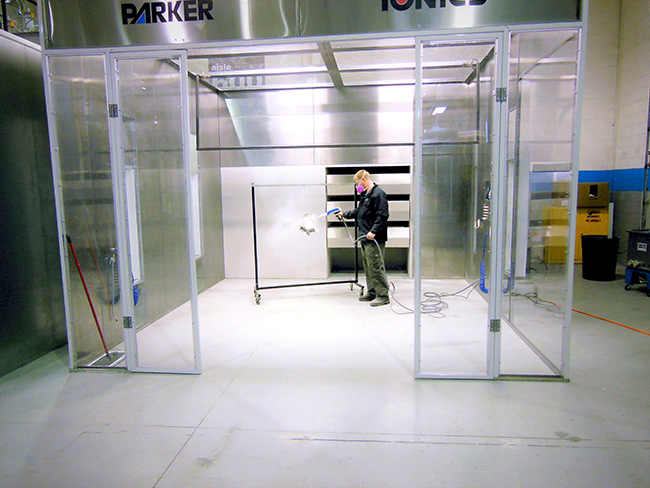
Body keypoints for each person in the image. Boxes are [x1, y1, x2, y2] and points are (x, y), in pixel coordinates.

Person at [338, 170, 390, 307]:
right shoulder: (366, 195)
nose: (357, 187)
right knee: (368, 267)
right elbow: (359, 212)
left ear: (364, 180)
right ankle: (372, 292)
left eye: (357, 183)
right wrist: (345, 214)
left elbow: (383, 215)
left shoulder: (379, 194)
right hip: (364, 237)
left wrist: (374, 231)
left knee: (375, 266)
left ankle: (383, 295)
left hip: (374, 239)